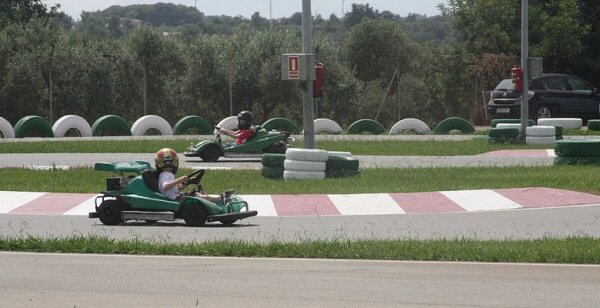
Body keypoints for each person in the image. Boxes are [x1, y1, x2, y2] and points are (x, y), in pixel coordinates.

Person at [154, 148, 224, 202]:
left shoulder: (164, 174)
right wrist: (180, 179)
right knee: (196, 195)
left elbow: (172, 190)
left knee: (197, 193)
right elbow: (165, 187)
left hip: (174, 196)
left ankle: (219, 198)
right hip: (174, 199)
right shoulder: (167, 175)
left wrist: (187, 183)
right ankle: (221, 198)